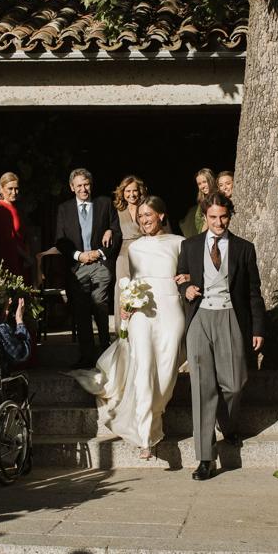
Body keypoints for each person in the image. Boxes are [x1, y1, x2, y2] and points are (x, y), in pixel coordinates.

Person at [70, 196, 185, 460]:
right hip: (141, 314)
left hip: (170, 311)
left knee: (166, 373)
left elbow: (188, 274)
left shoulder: (179, 243)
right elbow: (134, 281)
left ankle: (155, 414)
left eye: (149, 215)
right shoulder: (134, 249)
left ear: (162, 216)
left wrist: (188, 278)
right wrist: (127, 309)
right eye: (141, 216)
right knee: (143, 369)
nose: (144, 220)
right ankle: (145, 436)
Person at [177, 192, 265, 480]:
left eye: (223, 216)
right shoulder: (189, 246)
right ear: (205, 216)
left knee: (235, 383)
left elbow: (253, 292)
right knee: (202, 388)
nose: (218, 222)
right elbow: (181, 278)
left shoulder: (243, 248)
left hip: (230, 317)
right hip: (200, 317)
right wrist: (186, 290)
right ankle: (204, 458)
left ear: (230, 215)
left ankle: (226, 424)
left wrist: (257, 328)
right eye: (213, 217)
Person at [54, 168, 121, 366]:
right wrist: (79, 255)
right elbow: (60, 240)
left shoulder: (104, 204)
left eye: (87, 184)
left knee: (100, 305)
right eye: (79, 185)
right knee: (82, 310)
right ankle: (87, 356)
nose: (84, 189)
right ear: (72, 187)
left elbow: (116, 232)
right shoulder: (64, 209)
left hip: (100, 263)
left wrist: (100, 251)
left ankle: (106, 351)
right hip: (77, 267)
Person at [111, 175, 148, 331]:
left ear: (140, 191)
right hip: (124, 254)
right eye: (128, 191)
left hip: (145, 251)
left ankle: (142, 328)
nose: (132, 194)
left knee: (144, 289)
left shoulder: (146, 207)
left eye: (135, 190)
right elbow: (110, 227)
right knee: (124, 291)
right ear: (122, 192)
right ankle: (123, 330)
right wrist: (108, 231)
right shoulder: (117, 209)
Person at [0, 172, 32, 284]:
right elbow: (9, 240)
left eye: (16, 188)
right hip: (10, 261)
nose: (14, 192)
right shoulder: (0, 208)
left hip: (20, 260)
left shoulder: (14, 207)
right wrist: (27, 257)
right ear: (1, 189)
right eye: (10, 188)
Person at [179, 168, 216, 238]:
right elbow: (201, 228)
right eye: (199, 184)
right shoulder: (201, 204)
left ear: (211, 180)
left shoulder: (219, 199)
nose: (202, 186)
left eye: (205, 182)